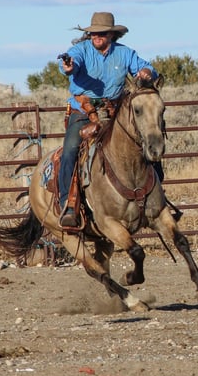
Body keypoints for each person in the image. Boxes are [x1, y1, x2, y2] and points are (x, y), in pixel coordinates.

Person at [57, 12, 158, 228]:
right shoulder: (81, 51)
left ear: (112, 34)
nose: (96, 36)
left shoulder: (125, 54)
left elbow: (147, 67)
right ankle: (69, 204)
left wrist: (146, 73)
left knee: (146, 143)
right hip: (84, 111)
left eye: (101, 33)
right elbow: (71, 63)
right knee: (70, 151)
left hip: (115, 112)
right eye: (93, 33)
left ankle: (158, 200)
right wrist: (68, 66)